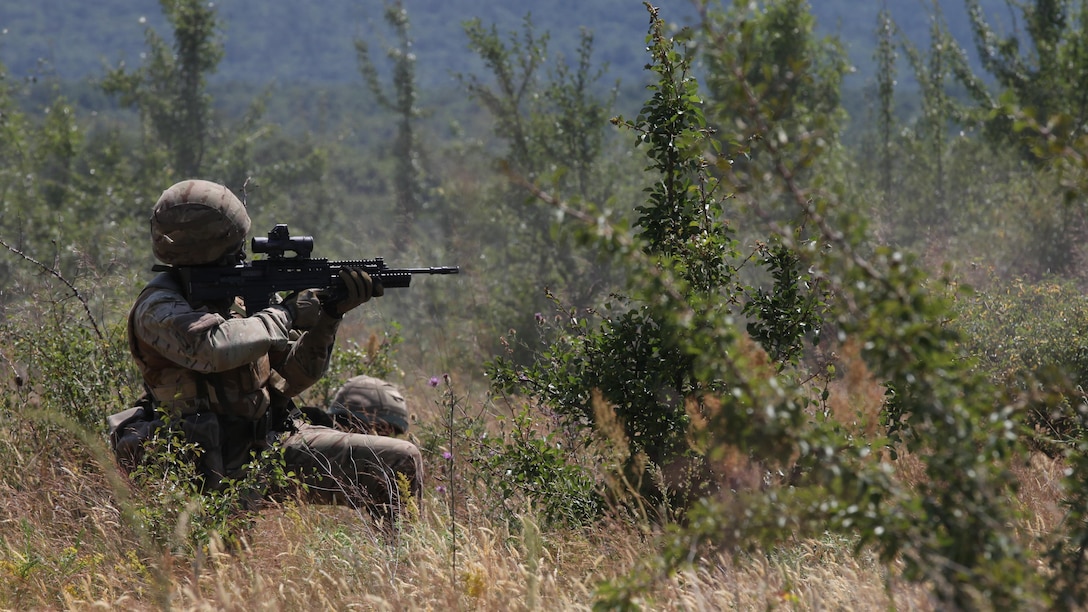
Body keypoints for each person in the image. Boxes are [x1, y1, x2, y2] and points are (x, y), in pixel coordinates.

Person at [117, 179, 422, 523]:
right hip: (200, 463)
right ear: (213, 243)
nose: (241, 250)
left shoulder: (241, 297)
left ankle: (397, 569)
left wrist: (329, 315)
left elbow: (289, 379)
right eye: (234, 244)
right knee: (218, 569)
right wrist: (288, 313)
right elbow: (211, 348)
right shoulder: (158, 308)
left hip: (268, 444)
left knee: (399, 463)